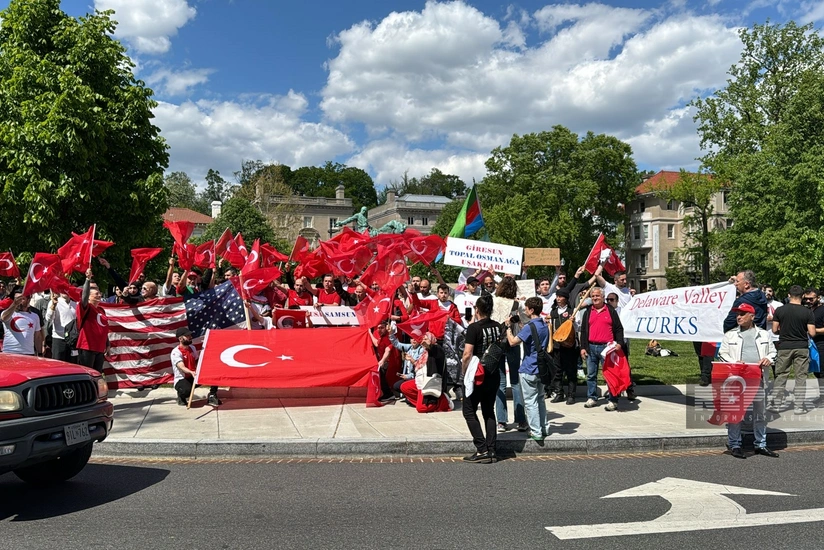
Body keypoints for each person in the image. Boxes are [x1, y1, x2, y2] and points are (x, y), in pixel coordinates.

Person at [718, 303, 778, 458]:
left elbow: (773, 352)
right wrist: (734, 362)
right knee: (736, 413)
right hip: (738, 380)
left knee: (760, 413)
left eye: (743, 314)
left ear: (752, 316)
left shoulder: (764, 334)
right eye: (737, 314)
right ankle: (735, 444)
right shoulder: (730, 335)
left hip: (758, 378)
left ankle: (760, 444)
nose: (739, 316)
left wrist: (768, 359)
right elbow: (722, 353)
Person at [461, 294, 502, 463]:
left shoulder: (474, 328)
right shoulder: (498, 327)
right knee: (488, 411)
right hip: (493, 373)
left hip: (477, 374)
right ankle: (491, 449)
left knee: (469, 411)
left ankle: (481, 448)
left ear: (477, 310)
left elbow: (467, 354)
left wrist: (464, 372)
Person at [505, 296, 550, 441]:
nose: (524, 310)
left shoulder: (530, 327)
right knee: (541, 399)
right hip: (542, 368)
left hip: (529, 368)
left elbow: (512, 342)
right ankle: (544, 427)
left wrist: (508, 328)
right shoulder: (543, 325)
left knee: (530, 402)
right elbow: (532, 334)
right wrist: (519, 323)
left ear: (531, 310)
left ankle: (536, 431)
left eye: (526, 308)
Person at [579, 286, 629, 411]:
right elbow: (584, 331)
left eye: (597, 296)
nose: (595, 298)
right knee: (591, 375)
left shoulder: (610, 310)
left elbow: (618, 328)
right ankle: (592, 397)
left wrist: (619, 343)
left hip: (607, 348)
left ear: (602, 297)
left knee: (610, 375)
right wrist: (583, 347)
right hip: (591, 347)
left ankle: (613, 400)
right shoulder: (588, 311)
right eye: (593, 296)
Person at [769, 285, 815, 414]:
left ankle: (777, 404)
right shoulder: (807, 312)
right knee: (801, 377)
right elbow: (811, 332)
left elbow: (774, 330)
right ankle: (799, 406)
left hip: (784, 346)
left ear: (789, 295)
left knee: (781, 375)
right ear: (803, 296)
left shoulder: (780, 310)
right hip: (801, 346)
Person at [491, 276, 527, 432]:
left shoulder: (492, 301)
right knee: (515, 381)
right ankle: (520, 420)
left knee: (499, 382)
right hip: (512, 341)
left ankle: (501, 421)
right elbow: (524, 320)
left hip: (496, 343)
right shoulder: (517, 304)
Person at [397, 332, 452, 413]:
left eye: (426, 339)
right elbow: (420, 366)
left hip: (429, 383)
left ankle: (443, 401)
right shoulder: (424, 352)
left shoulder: (437, 349)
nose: (423, 341)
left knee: (421, 409)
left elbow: (433, 350)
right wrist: (411, 360)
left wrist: (428, 345)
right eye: (423, 339)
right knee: (404, 387)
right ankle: (423, 402)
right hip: (420, 381)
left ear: (431, 340)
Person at [170, 327, 222, 406]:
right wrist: (191, 372)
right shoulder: (176, 352)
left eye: (190, 335)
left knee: (214, 373)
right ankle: (181, 395)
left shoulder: (192, 348)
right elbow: (181, 367)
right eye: (187, 336)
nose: (190, 337)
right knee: (186, 391)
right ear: (180, 339)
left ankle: (212, 395)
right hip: (182, 378)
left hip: (194, 375)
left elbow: (197, 361)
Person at [548, 288, 578, 404]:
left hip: (569, 345)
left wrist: (573, 322)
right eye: (557, 296)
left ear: (566, 298)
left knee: (571, 370)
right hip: (557, 345)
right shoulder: (553, 312)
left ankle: (571, 395)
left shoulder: (573, 311)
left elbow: (578, 327)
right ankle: (559, 393)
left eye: (560, 297)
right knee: (557, 371)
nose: (558, 299)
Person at [76, 269, 108, 373]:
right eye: (96, 294)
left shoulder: (101, 310)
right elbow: (84, 298)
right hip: (87, 346)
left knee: (97, 373)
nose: (99, 295)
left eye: (99, 293)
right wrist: (87, 279)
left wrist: (107, 343)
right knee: (87, 372)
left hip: (99, 347)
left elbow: (104, 328)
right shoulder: (86, 307)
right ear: (89, 297)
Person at [1, 286, 44, 356]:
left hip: (28, 353)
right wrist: (14, 304)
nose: (18, 301)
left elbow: (37, 337)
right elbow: (3, 318)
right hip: (9, 352)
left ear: (28, 300)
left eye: (22, 299)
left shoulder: (35, 316)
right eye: (16, 299)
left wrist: (40, 353)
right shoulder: (9, 313)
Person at [45, 291, 77, 363]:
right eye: (62, 289)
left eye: (66, 289)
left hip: (72, 341)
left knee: (72, 366)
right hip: (59, 339)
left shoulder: (75, 304)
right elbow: (49, 319)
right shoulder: (55, 302)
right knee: (58, 365)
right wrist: (53, 305)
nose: (64, 291)